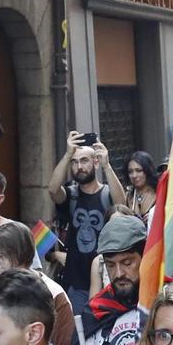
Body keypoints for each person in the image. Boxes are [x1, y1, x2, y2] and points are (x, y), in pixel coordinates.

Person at [71, 214, 150, 345]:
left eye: (127, 262)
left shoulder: (166, 305)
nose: (118, 273)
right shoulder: (95, 310)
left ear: (145, 257)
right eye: (110, 265)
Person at [46, 131, 123, 312]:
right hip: (76, 283)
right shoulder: (71, 195)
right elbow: (52, 190)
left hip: (107, 279)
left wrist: (107, 166)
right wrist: (67, 154)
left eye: (84, 161)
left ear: (95, 162)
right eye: (75, 162)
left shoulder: (106, 194)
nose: (79, 166)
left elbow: (121, 204)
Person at [125, 151, 159, 218]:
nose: (134, 175)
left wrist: (154, 217)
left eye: (139, 170)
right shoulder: (127, 196)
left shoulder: (160, 192)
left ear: (148, 171)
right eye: (130, 172)